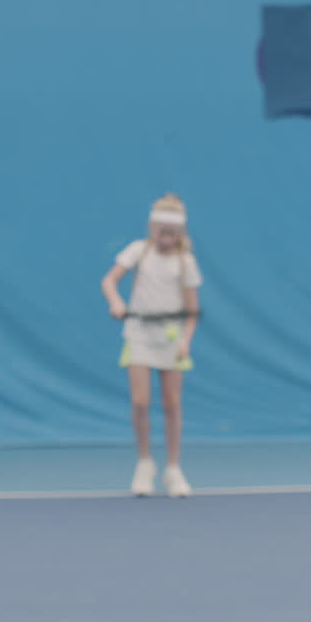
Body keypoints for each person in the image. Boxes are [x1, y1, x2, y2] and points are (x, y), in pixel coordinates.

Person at [101, 193, 202, 498]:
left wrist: (185, 340)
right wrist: (116, 302)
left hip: (171, 340)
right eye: (161, 231)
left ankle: (173, 468)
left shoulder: (185, 262)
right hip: (139, 335)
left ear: (180, 233)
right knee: (141, 401)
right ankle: (145, 463)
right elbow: (109, 281)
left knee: (172, 404)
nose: (165, 238)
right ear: (152, 227)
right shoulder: (138, 251)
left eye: (172, 233)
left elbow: (192, 311)